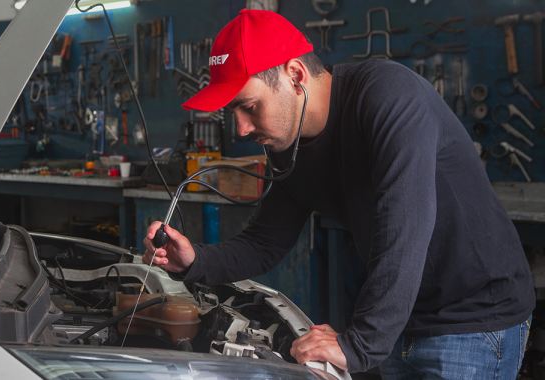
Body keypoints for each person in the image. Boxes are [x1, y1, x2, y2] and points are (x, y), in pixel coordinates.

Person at [143, 9, 535, 379]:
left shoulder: (388, 96)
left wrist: (362, 342)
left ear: (294, 74)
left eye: (249, 107)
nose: (241, 128)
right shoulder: (287, 147)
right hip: (402, 321)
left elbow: (405, 225)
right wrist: (195, 261)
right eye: (233, 113)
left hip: (474, 318)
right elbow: (264, 243)